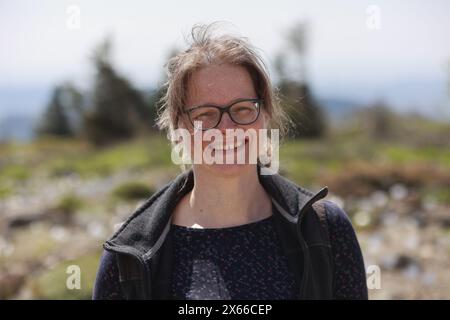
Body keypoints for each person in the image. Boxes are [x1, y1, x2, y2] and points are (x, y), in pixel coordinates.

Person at [93, 23, 368, 300]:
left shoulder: (325, 231)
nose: (226, 128)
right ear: (178, 127)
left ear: (265, 116)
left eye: (242, 109)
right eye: (205, 114)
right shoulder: (129, 255)